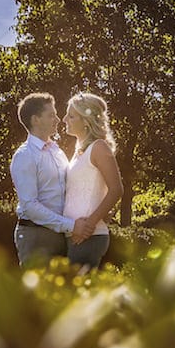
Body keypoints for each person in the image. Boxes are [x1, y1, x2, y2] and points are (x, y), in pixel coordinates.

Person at [10, 92, 93, 266]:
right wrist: (70, 225)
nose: (58, 119)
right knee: (38, 292)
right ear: (35, 120)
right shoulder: (25, 156)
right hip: (36, 236)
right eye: (51, 115)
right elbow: (30, 206)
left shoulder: (57, 152)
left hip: (62, 234)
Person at [62, 92, 124, 267]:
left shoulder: (99, 147)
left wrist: (89, 225)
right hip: (74, 235)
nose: (65, 119)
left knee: (76, 292)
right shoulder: (78, 152)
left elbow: (116, 189)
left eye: (71, 116)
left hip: (89, 236)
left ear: (86, 121)